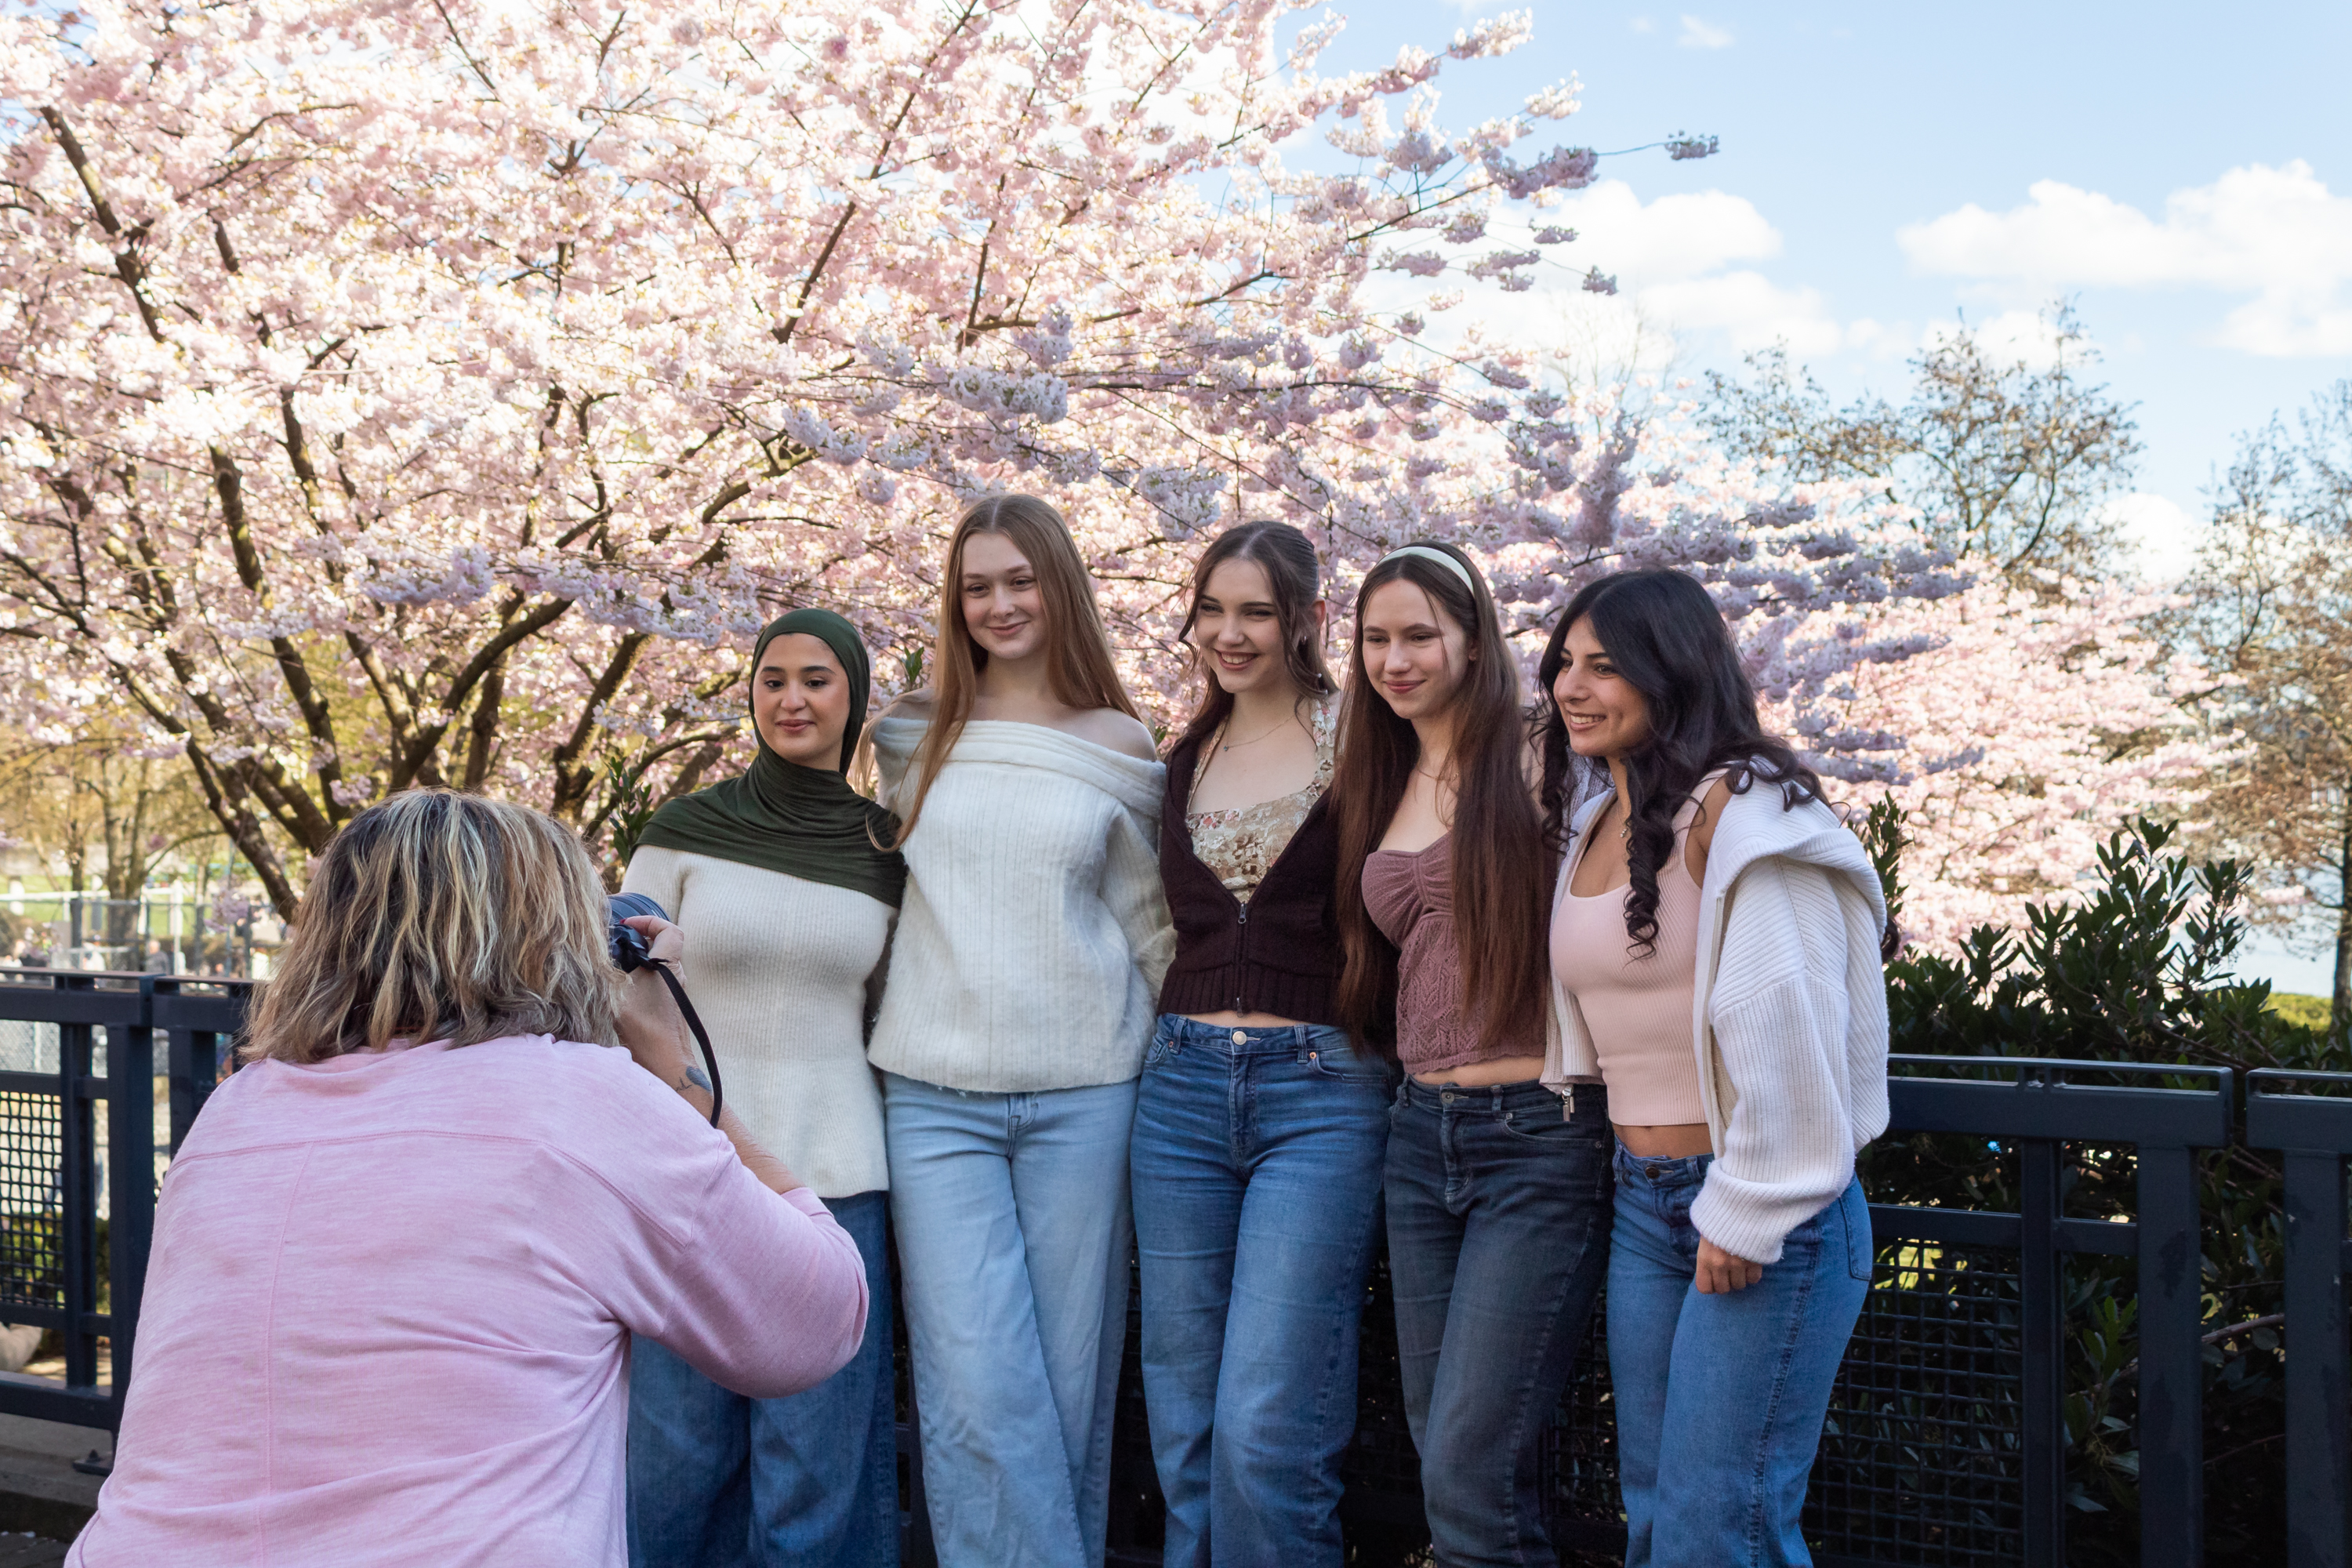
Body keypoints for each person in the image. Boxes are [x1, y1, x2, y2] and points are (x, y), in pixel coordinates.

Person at [70, 790, 869, 1567]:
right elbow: (815, 1320)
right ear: (552, 936)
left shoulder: (235, 1112)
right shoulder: (579, 1102)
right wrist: (675, 1069)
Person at [1538, 568, 1889, 1568]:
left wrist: (1749, 1205)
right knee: (1655, 1515)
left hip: (1755, 1207)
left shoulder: (1749, 810)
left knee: (1719, 1527)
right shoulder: (1596, 815)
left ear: (1673, 670)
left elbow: (1791, 1017)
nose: (1572, 684)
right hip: (1644, 1201)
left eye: (1605, 665)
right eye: (1565, 661)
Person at [866, 493, 1174, 1568]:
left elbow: (1152, 927)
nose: (998, 603)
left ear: (1061, 586)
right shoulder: (910, 734)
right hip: (932, 1093)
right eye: (977, 585)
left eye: (1019, 580)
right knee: (974, 1382)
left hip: (1087, 1093)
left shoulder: (1120, 746)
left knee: (1072, 1385)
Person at [1330, 541, 1612, 1566]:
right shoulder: (1384, 773)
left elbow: (1685, 824)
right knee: (1451, 1450)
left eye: (1419, 635)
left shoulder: (1543, 752)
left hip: (1535, 1136)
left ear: (1472, 636)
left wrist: (1835, 901)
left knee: (1470, 1461)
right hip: (1418, 1136)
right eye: (1375, 639)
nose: (1395, 659)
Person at [619, 608, 907, 1568]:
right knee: (675, 1461)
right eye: (773, 678)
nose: (792, 698)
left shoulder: (886, 848)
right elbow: (622, 987)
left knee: (816, 1470)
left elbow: (891, 1006)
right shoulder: (685, 827)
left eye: (817, 679)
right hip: (688, 1174)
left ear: (854, 697)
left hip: (835, 1181)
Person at [1131, 521, 1388, 1568]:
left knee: (1265, 1427)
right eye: (1214, 610)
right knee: (1185, 1427)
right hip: (1178, 1089)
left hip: (1321, 1093)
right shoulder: (1182, 756)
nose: (1230, 634)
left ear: (1308, 621)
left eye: (1257, 611)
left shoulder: (1363, 744)